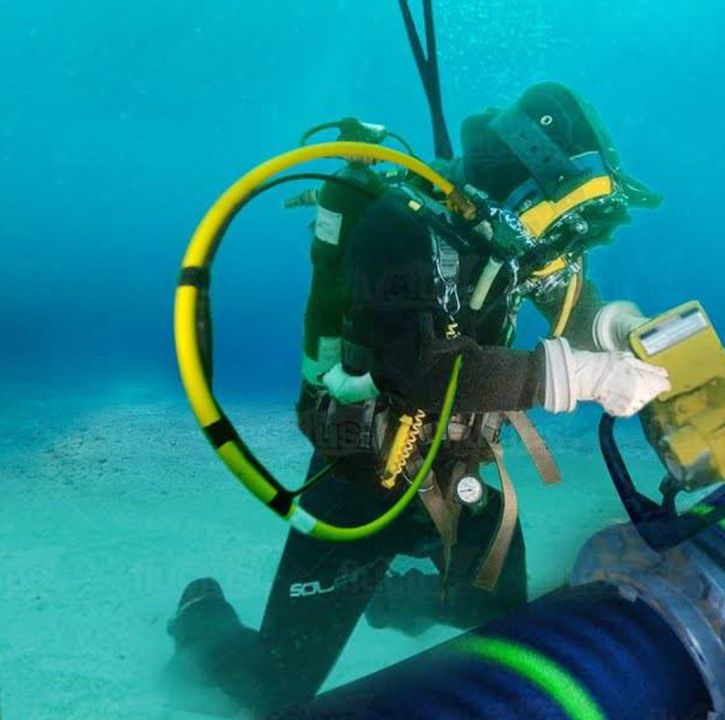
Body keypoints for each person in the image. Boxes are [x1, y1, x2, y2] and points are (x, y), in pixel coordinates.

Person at [166, 82, 671, 713]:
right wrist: (586, 378)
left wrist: (619, 329)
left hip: (454, 474)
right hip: (360, 483)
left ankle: (398, 598)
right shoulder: (398, 228)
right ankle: (202, 620)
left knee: (501, 614)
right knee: (274, 688)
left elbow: (568, 298)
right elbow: (426, 373)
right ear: (523, 183)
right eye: (559, 214)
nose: (559, 240)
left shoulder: (513, 240)